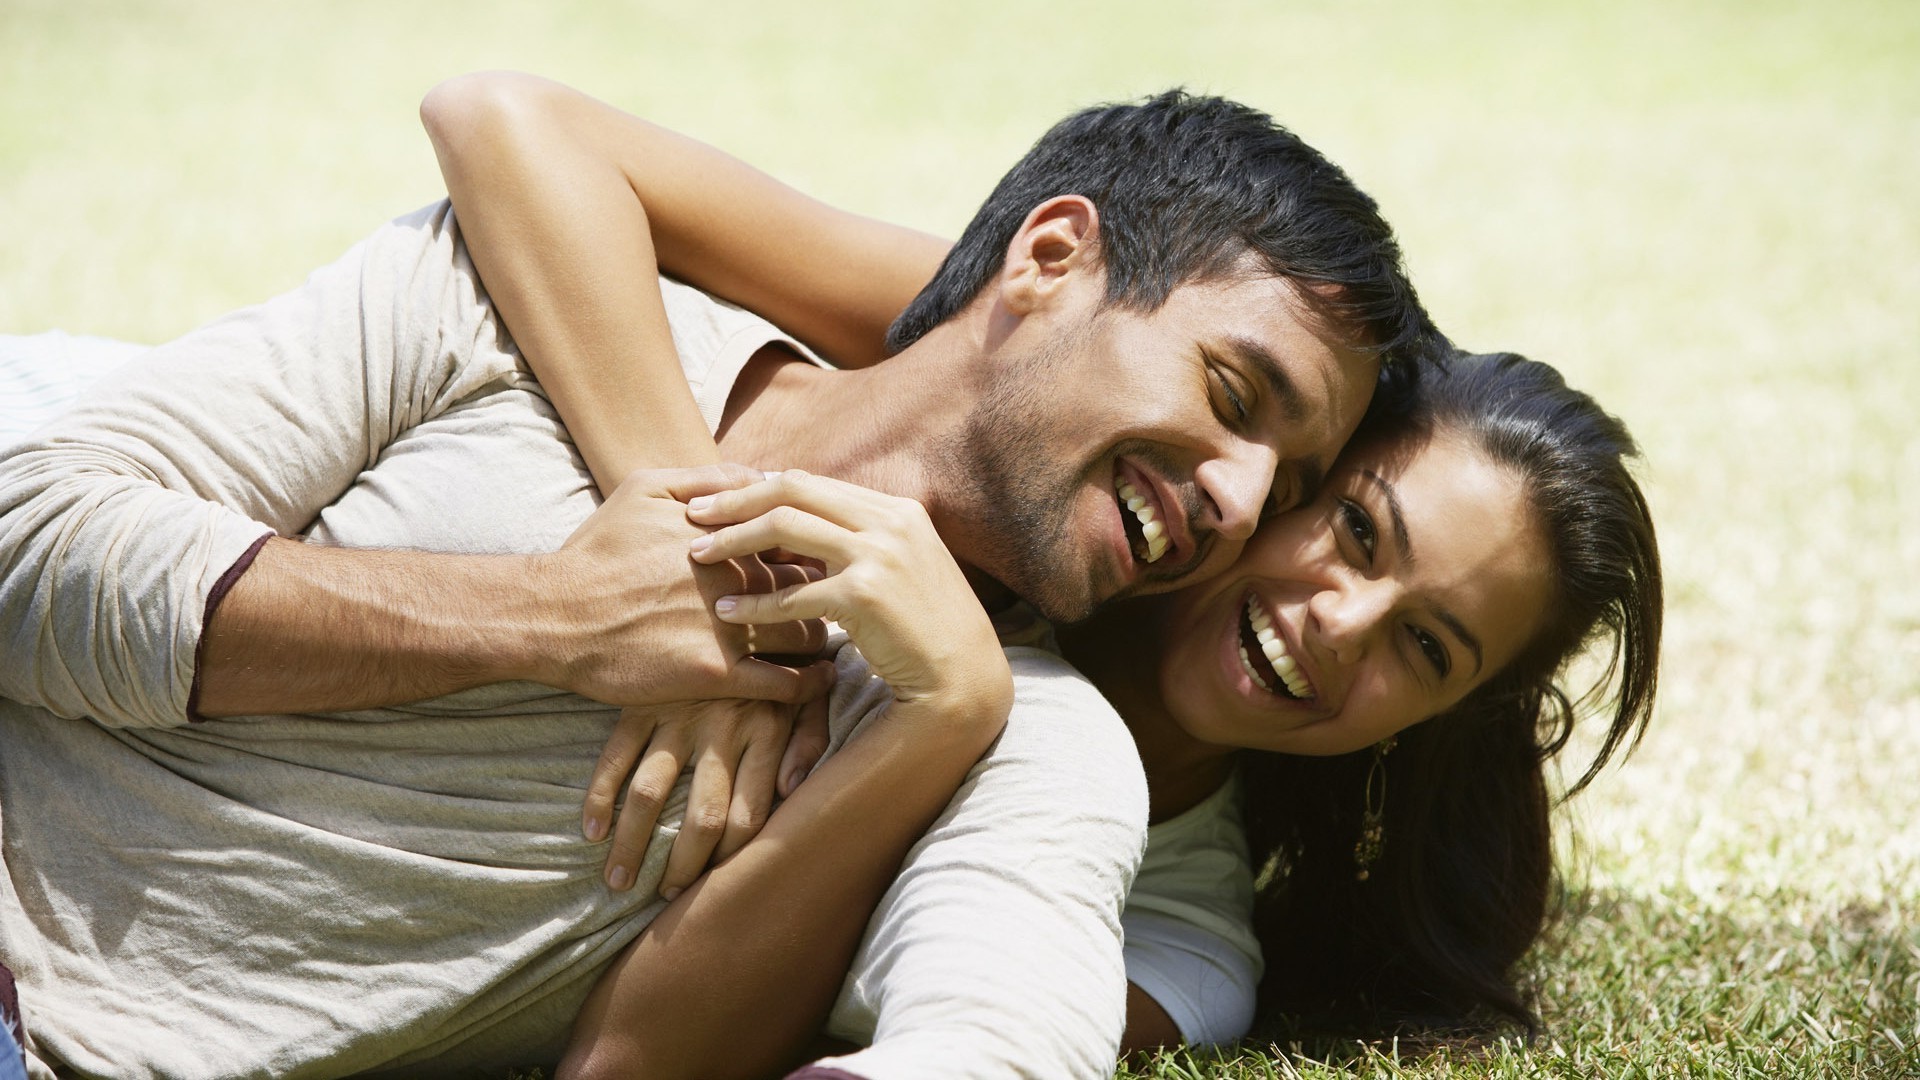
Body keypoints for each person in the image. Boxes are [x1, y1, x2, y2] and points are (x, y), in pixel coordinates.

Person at [0, 85, 1436, 1078]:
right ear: (1051, 259)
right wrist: (562, 619)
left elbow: (996, 1028)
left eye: (1294, 488)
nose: (1242, 502)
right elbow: (28, 548)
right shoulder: (507, 301)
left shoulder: (1026, 736)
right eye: (1236, 393)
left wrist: (937, 717)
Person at [420, 75, 1660, 1073]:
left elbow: (903, 1025)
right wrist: (706, 578)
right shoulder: (1077, 383)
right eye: (1352, 531)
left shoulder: (1178, 936)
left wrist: (944, 718)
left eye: (1427, 649)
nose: (1342, 623)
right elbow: (506, 121)